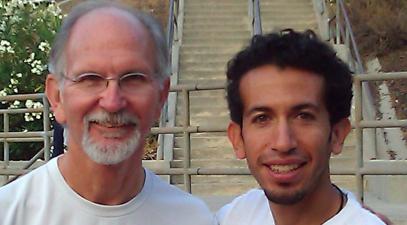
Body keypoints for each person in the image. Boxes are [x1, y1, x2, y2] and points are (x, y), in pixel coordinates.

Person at [0, 1, 216, 225]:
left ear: (161, 96)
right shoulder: (9, 214)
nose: (112, 102)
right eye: (90, 79)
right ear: (57, 97)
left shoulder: (192, 218)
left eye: (133, 78)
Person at [216, 29, 386, 225]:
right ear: (237, 139)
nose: (283, 143)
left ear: (337, 134)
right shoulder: (233, 217)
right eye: (262, 118)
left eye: (303, 116)